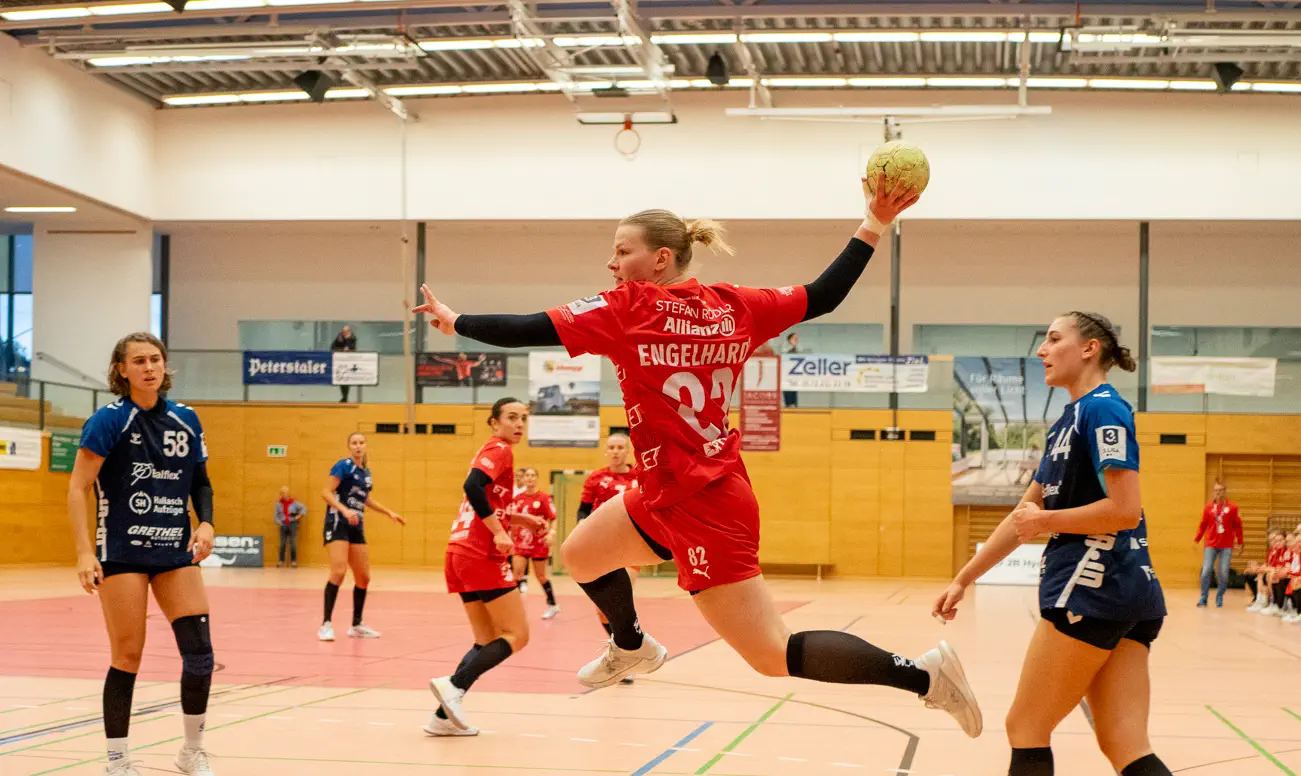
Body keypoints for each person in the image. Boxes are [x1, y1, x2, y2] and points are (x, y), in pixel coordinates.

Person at [414, 175, 981, 739]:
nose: (612, 263)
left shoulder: (628, 307)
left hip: (707, 504)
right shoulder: (737, 306)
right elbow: (824, 294)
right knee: (583, 554)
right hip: (668, 489)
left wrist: (456, 321)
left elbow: (529, 328)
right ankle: (631, 646)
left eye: (622, 251)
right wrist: (875, 222)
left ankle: (924, 677)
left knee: (770, 653)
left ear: (660, 259)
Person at [928, 312, 1222, 776]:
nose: (1042, 350)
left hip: (1095, 582)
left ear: (1089, 349)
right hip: (1127, 592)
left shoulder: (1105, 411)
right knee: (1125, 743)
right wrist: (967, 574)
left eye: (1053, 339)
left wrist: (1050, 525)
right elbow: (1024, 513)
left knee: (1025, 726)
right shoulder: (1069, 419)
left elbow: (1124, 508)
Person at [67, 333, 219, 776]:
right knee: (128, 656)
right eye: (139, 361)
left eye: (155, 359)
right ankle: (116, 766)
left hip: (174, 549)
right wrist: (83, 552)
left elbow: (201, 481)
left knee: (200, 653)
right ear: (122, 370)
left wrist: (207, 522)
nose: (149, 367)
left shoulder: (186, 418)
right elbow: (78, 488)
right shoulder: (108, 421)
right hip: (122, 551)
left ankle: (191, 751)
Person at [426, 398, 544, 736]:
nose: (519, 424)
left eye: (523, 418)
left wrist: (519, 519)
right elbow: (472, 487)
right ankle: (454, 685)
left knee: (485, 639)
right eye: (511, 417)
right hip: (480, 552)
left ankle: (442, 718)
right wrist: (499, 533)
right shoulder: (500, 449)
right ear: (494, 422)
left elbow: (485, 498)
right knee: (517, 635)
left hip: (458, 551)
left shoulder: (489, 450)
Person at [318, 433, 404, 641]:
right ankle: (326, 624)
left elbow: (366, 499)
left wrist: (388, 512)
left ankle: (356, 625)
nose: (358, 446)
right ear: (349, 447)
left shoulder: (366, 473)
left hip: (357, 526)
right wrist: (344, 510)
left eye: (361, 443)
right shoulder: (343, 466)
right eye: (354, 443)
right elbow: (326, 492)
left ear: (366, 446)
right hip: (338, 522)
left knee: (363, 577)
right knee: (338, 571)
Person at [577, 432, 644, 677]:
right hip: (601, 547)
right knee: (603, 609)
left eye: (620, 447)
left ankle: (630, 652)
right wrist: (582, 528)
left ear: (627, 451)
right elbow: (582, 510)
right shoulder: (596, 478)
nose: (615, 451)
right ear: (606, 451)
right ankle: (623, 650)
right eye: (611, 447)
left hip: (631, 547)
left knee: (621, 599)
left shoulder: (639, 476)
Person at [511, 466, 560, 618]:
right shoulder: (517, 500)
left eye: (533, 475)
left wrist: (552, 533)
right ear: (523, 479)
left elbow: (553, 518)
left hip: (539, 543)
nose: (530, 478)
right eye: (527, 476)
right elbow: (511, 520)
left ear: (536, 478)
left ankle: (552, 605)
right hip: (521, 543)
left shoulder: (544, 498)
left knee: (541, 576)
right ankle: (514, 609)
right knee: (517, 575)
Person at [1194, 481, 1242, 607]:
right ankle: (1203, 597)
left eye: (1220, 490)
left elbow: (1238, 526)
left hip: (1226, 545)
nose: (1218, 493)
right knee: (1206, 570)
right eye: (1216, 490)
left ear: (1225, 491)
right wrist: (1197, 540)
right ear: (1213, 492)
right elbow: (1203, 525)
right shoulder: (1208, 508)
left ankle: (1220, 595)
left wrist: (1240, 542)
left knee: (1223, 572)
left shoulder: (1232, 508)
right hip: (1211, 544)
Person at [1246, 529, 1285, 611]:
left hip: (1277, 573)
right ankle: (1259, 600)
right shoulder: (1272, 551)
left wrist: (1262, 569)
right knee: (1256, 574)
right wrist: (1258, 568)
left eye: (1275, 540)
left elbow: (1274, 567)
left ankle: (1271, 601)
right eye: (1271, 540)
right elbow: (1267, 564)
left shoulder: (1282, 551)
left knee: (1268, 575)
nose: (1273, 542)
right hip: (1273, 572)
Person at [275, 485, 306, 567]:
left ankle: (293, 561)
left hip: (293, 524)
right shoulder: (278, 504)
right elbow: (276, 517)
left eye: (282, 494)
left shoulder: (294, 503)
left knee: (293, 544)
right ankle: (281, 561)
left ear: (287, 494)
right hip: (283, 524)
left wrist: (299, 516)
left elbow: (303, 508)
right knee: (282, 544)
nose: (281, 495)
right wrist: (280, 522)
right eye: (280, 494)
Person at [331, 325, 356, 403]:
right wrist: (340, 349)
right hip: (340, 361)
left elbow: (352, 348)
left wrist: (347, 344)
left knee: (347, 380)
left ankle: (345, 397)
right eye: (343, 332)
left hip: (349, 362)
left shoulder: (352, 338)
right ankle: (344, 397)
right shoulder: (339, 337)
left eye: (345, 332)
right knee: (341, 380)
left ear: (348, 331)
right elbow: (332, 347)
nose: (343, 333)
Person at [782, 331, 803, 408]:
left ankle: (794, 404)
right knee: (787, 389)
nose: (796, 340)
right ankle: (788, 404)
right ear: (789, 340)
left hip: (795, 374)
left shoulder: (799, 348)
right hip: (786, 373)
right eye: (794, 338)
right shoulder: (785, 348)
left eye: (797, 339)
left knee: (794, 389)